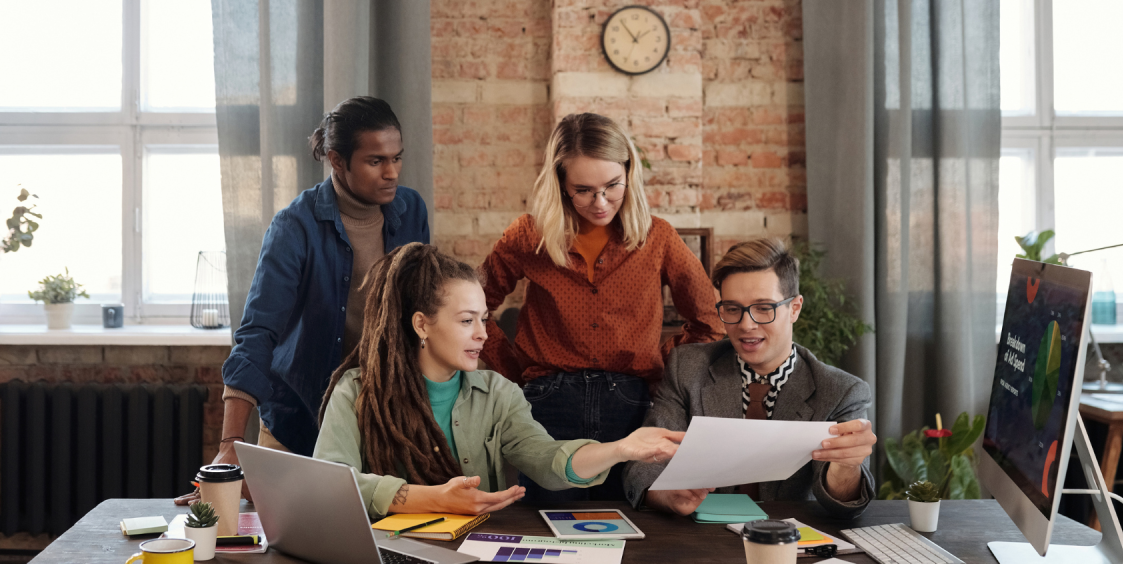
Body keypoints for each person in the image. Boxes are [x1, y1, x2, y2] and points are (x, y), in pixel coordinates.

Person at [177, 97, 430, 505]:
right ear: (336, 160)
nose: (392, 172)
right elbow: (258, 333)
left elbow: (421, 314)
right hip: (300, 421)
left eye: (397, 158)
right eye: (376, 161)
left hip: (383, 423)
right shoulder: (295, 226)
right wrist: (230, 445)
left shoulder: (411, 209)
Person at [314, 243, 685, 517]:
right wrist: (431, 498)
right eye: (466, 320)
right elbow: (330, 485)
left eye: (484, 318)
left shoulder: (498, 394)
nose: (483, 334)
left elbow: (547, 459)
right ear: (421, 324)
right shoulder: (357, 391)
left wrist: (620, 448)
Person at [479, 112, 725, 502]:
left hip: (629, 404)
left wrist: (658, 361)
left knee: (628, 525)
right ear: (561, 183)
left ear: (630, 171)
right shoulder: (529, 236)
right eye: (583, 190)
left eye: (612, 186)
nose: (600, 202)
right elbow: (476, 308)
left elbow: (711, 322)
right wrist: (513, 373)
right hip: (547, 403)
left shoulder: (657, 237)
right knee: (547, 526)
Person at [622, 238, 878, 518]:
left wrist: (847, 466)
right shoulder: (688, 367)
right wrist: (664, 494)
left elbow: (842, 504)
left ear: (794, 309)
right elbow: (643, 463)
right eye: (732, 309)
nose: (746, 325)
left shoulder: (841, 390)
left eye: (763, 308)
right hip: (701, 540)